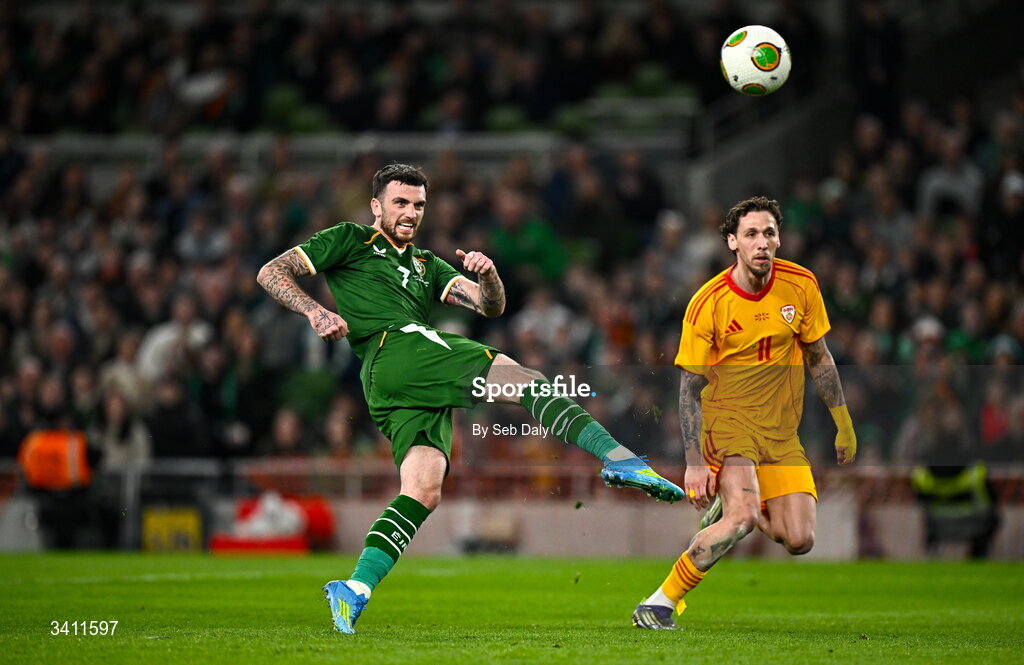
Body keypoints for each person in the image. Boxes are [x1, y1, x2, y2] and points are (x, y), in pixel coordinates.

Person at [256, 163, 684, 634]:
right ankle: (619, 457)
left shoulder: (425, 265)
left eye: (418, 205)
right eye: (400, 202)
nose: (410, 213)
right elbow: (271, 271)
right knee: (524, 379)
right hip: (397, 348)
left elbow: (488, 305)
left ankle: (354, 588)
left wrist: (490, 274)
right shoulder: (350, 239)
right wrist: (316, 311)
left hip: (393, 381)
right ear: (376, 206)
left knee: (423, 488)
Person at [631, 196, 857, 630]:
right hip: (727, 423)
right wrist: (695, 463)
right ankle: (659, 603)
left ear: (779, 238)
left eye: (769, 233)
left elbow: (820, 358)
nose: (762, 243)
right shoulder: (708, 302)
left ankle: (737, 503)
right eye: (751, 234)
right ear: (732, 241)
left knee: (800, 539)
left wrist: (843, 424)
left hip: (780, 432)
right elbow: (688, 388)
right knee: (743, 518)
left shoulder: (802, 285)